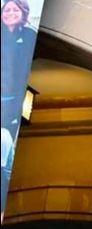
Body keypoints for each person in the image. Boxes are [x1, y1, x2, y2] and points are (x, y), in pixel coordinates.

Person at [2, 0, 38, 132]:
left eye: (15, 10)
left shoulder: (30, 35)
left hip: (14, 97)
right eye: (7, 10)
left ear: (23, 13)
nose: (10, 13)